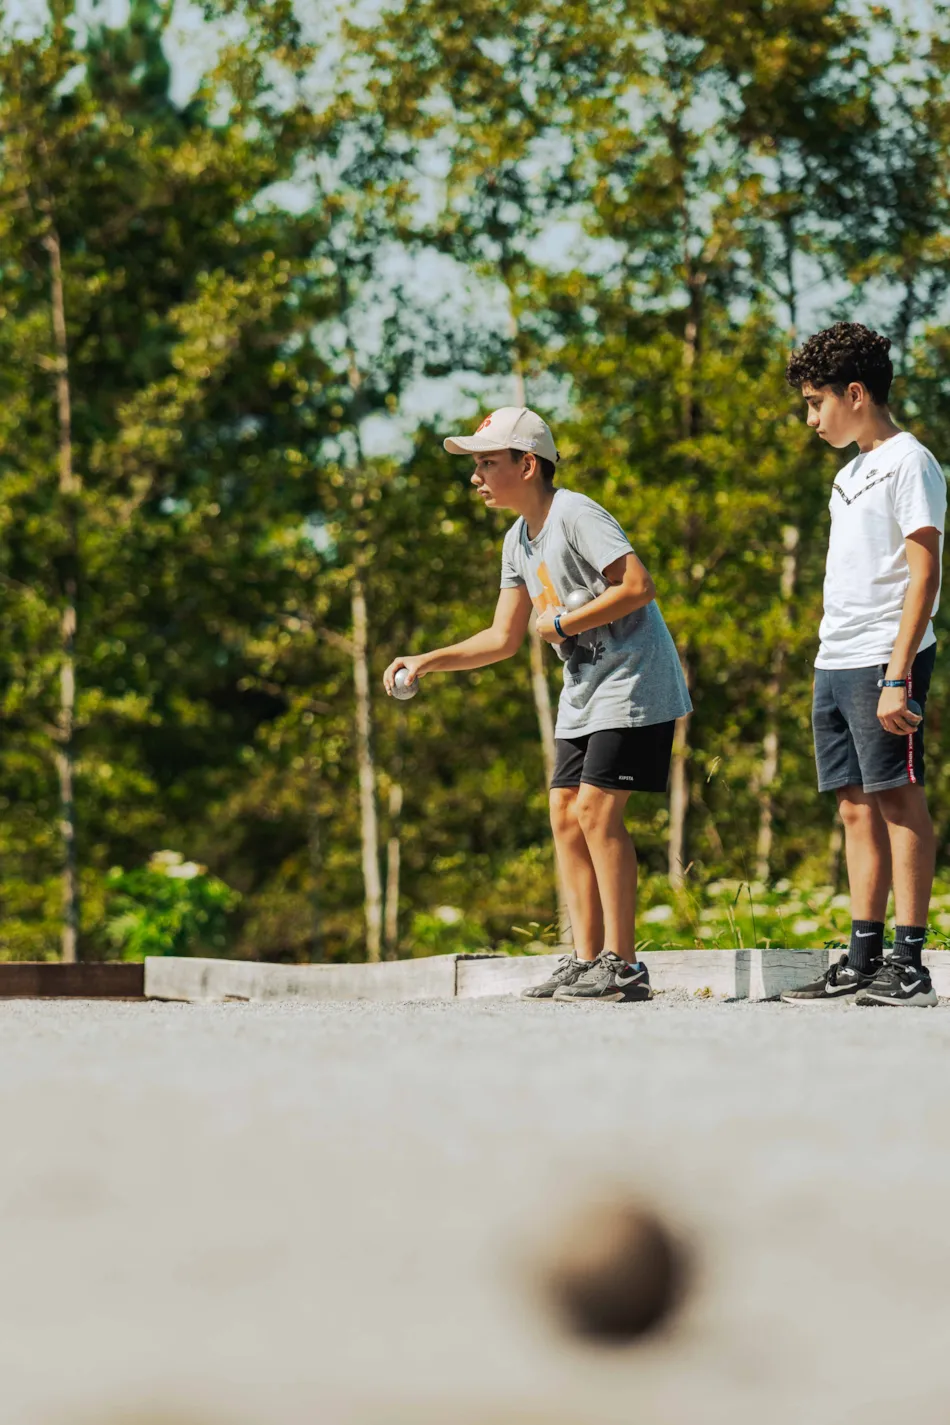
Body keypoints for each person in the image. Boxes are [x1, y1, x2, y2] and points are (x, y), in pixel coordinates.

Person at [382, 406, 692, 1003]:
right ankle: (586, 961)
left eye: (487, 464)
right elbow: (502, 638)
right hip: (583, 692)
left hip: (633, 683)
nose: (475, 478)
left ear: (527, 465)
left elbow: (637, 586)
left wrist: (565, 620)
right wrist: (426, 660)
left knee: (598, 815)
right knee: (564, 816)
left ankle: (623, 965)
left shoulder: (575, 513)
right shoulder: (515, 541)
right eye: (475, 466)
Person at [781, 323, 946, 1007]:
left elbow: (926, 570)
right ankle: (861, 957)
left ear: (856, 392)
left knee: (897, 799)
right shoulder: (848, 474)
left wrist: (896, 672)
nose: (812, 419)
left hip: (885, 654)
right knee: (854, 808)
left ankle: (909, 965)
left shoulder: (911, 460)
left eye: (817, 403)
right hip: (836, 655)